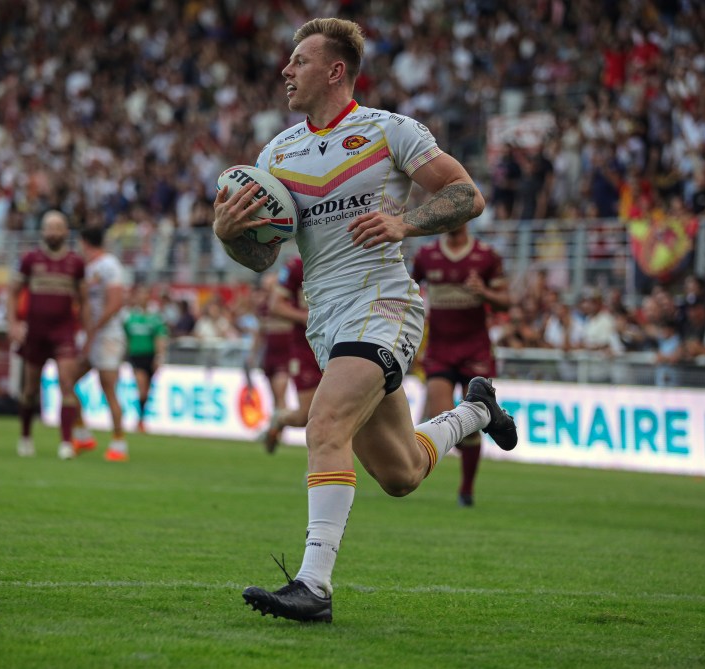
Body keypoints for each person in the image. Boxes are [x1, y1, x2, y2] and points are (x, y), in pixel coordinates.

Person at [212, 18, 516, 623]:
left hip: (383, 306)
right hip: (327, 323)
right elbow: (263, 253)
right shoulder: (278, 153)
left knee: (324, 424)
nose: (285, 71)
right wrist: (228, 236)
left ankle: (313, 587)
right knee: (401, 473)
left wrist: (407, 223)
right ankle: (478, 410)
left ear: (335, 70)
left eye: (298, 61)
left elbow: (467, 195)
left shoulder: (390, 131)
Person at [411, 223, 508, 507]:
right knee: (444, 415)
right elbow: (408, 293)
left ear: (467, 218)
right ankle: (463, 458)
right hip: (440, 349)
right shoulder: (426, 255)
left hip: (475, 349)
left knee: (473, 418)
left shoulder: (486, 256)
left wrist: (485, 293)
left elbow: (506, 302)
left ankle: (466, 489)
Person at [7, 210, 88, 460]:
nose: (53, 232)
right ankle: (25, 436)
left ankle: (66, 442)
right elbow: (13, 292)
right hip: (36, 332)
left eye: (58, 227)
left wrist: (85, 330)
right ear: (42, 231)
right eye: (49, 227)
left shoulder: (76, 263)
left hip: (63, 331)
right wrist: (13, 323)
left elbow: (83, 300)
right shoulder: (30, 259)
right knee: (30, 388)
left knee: (67, 384)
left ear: (65, 231)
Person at [74, 224, 129, 462]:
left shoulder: (109, 265)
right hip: (91, 334)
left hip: (107, 335)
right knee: (67, 380)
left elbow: (115, 302)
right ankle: (83, 434)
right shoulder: (87, 268)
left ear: (84, 241)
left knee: (108, 388)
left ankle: (119, 442)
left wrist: (94, 330)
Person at [262, 256, 324, 454]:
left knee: (335, 412)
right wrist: (307, 318)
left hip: (339, 343)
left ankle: (322, 470)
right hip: (305, 347)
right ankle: (280, 418)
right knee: (306, 415)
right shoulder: (295, 266)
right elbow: (276, 305)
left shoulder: (342, 258)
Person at [253, 271, 295, 442]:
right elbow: (260, 330)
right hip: (270, 352)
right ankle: (275, 428)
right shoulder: (263, 306)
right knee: (273, 395)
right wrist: (253, 353)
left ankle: (277, 431)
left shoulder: (286, 304)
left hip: (285, 352)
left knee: (280, 393)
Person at [122, 284, 169, 433]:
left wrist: (159, 357)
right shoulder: (130, 317)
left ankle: (141, 418)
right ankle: (140, 420)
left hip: (150, 356)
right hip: (136, 356)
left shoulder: (154, 318)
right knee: (141, 386)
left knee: (147, 390)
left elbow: (160, 338)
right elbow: (125, 336)